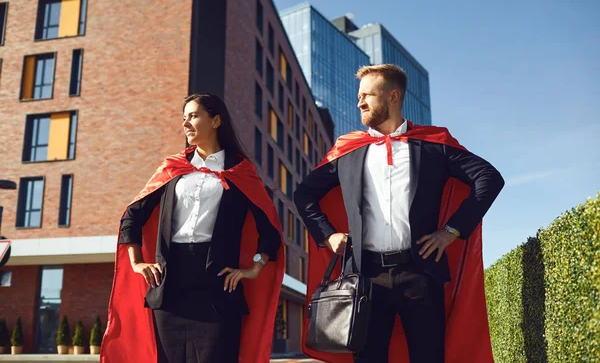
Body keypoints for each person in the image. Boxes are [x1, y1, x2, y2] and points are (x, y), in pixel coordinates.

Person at [294, 64, 504, 363]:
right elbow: (303, 194)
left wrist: (452, 231)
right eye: (358, 96)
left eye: (367, 95)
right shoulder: (347, 149)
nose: (360, 102)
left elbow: (489, 178)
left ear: (393, 97)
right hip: (364, 277)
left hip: (420, 273)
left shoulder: (434, 145)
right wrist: (328, 234)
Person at [101, 93, 284, 363]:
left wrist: (254, 267)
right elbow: (132, 216)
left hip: (219, 287)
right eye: (184, 117)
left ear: (216, 120)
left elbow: (269, 231)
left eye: (194, 116)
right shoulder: (172, 169)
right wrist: (138, 262)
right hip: (170, 284)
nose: (186, 123)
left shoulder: (240, 172)